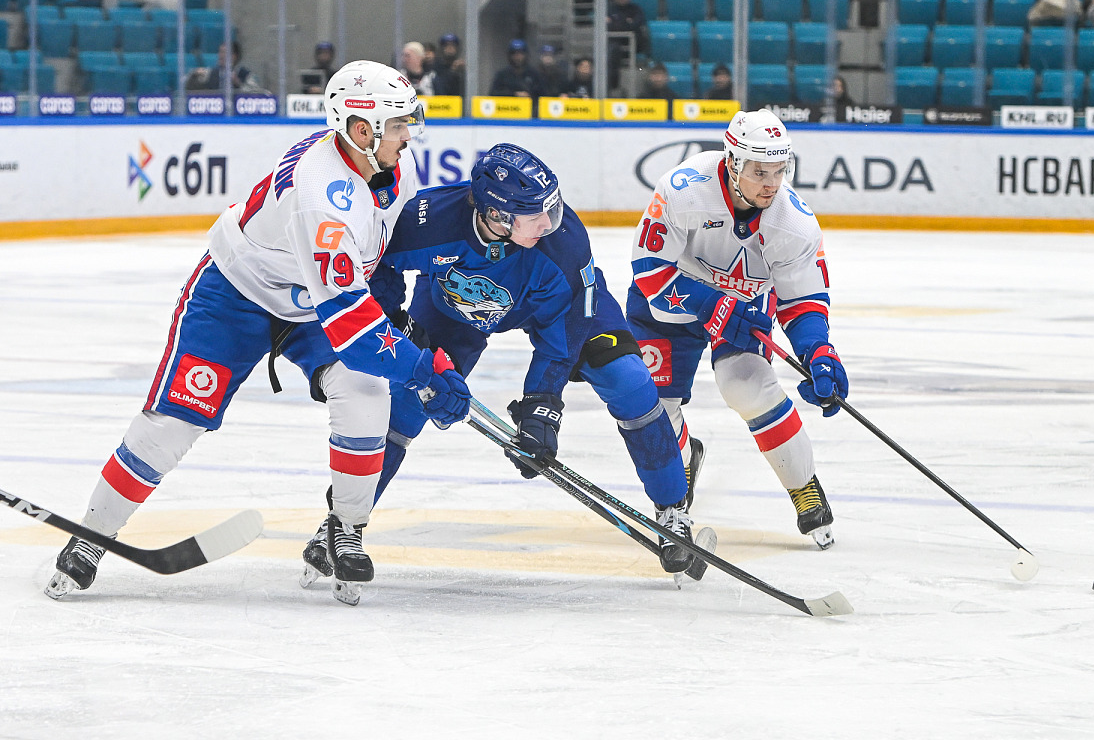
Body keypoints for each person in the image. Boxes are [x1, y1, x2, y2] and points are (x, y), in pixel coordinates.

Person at [44, 60, 471, 606]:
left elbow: (378, 258)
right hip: (236, 296)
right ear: (361, 130)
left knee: (365, 392)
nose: (408, 135)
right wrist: (421, 369)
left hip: (311, 304)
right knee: (172, 424)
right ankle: (92, 535)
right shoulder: (322, 196)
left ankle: (347, 528)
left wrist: (398, 317)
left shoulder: (392, 168)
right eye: (397, 125)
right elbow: (352, 326)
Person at [297, 144, 696, 581]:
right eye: (533, 214)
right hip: (457, 310)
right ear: (496, 215)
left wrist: (542, 406)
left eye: (551, 208)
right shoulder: (429, 220)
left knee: (629, 381)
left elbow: (562, 340)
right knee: (405, 406)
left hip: (563, 309)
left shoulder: (564, 244)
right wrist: (399, 323)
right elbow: (375, 265)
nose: (549, 223)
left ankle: (673, 509)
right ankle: (343, 523)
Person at [625, 109, 849, 549]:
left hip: (744, 303)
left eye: (780, 171)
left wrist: (818, 351)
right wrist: (713, 306)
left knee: (747, 388)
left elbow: (803, 299)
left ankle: (802, 483)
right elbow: (650, 269)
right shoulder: (683, 190)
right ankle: (679, 473)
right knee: (655, 405)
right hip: (671, 299)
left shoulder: (794, 223)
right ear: (732, 163)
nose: (771, 184)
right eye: (760, 172)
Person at [607, 0, 649, 88]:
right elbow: (608, 26)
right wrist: (626, 23)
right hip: (614, 44)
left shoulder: (636, 9)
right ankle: (612, 85)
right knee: (613, 50)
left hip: (635, 45)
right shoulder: (609, 9)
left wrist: (617, 23)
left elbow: (637, 24)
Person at [188, 41, 262, 92]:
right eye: (220, 52)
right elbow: (188, 85)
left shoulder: (246, 75)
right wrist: (194, 75)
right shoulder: (211, 73)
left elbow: (256, 94)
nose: (220, 55)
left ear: (234, 56)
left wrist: (238, 83)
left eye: (224, 52)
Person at [432, 33, 464, 97]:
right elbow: (440, 86)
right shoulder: (436, 66)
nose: (450, 48)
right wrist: (452, 71)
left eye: (453, 45)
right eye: (446, 45)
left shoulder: (461, 67)